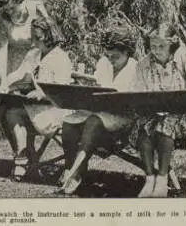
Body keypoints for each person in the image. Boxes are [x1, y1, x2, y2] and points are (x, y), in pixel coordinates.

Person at [130, 23, 186, 197]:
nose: (157, 50)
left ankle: (162, 179)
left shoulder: (184, 57)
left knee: (166, 123)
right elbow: (137, 91)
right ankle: (150, 178)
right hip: (154, 114)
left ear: (172, 44)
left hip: (182, 116)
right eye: (153, 46)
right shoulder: (144, 64)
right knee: (143, 127)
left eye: (161, 46)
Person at [59, 26, 139, 195]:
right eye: (108, 55)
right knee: (68, 122)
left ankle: (77, 172)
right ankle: (69, 167)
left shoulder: (135, 68)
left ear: (127, 52)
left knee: (93, 122)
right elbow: (98, 86)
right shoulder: (104, 63)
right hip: (99, 110)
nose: (111, 60)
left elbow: (134, 102)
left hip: (122, 118)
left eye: (115, 57)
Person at [0, 16, 71, 181]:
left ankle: (23, 160)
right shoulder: (34, 54)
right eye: (34, 36)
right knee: (3, 108)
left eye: (38, 36)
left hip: (53, 111)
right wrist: (5, 83)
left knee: (11, 112)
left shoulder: (61, 58)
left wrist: (43, 94)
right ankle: (24, 156)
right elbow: (20, 73)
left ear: (48, 35)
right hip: (34, 108)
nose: (35, 40)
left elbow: (63, 91)